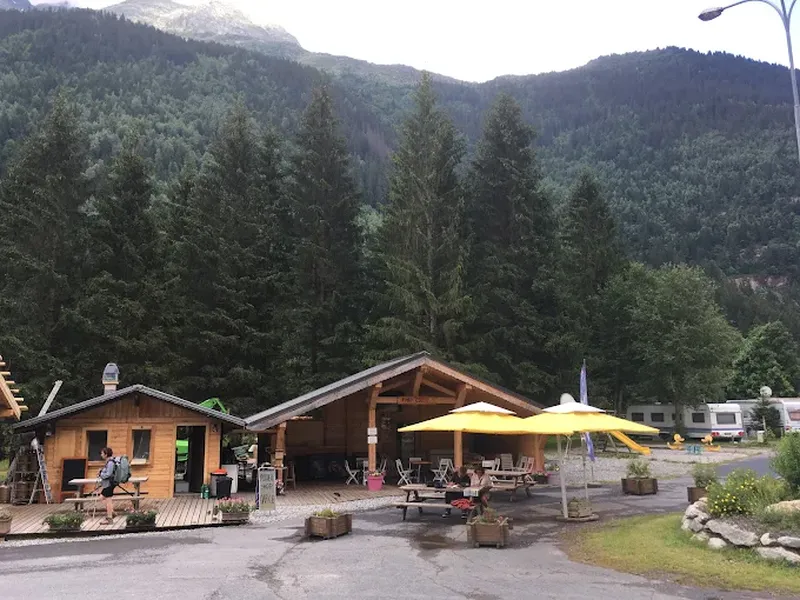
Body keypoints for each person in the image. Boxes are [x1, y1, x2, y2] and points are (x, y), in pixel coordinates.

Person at [98, 447, 116, 524]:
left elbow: (108, 474)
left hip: (109, 484)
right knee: (102, 498)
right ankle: (112, 513)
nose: (101, 455)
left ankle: (110, 518)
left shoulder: (110, 462)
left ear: (106, 454)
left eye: (102, 453)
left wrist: (100, 474)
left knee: (107, 500)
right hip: (108, 484)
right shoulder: (108, 462)